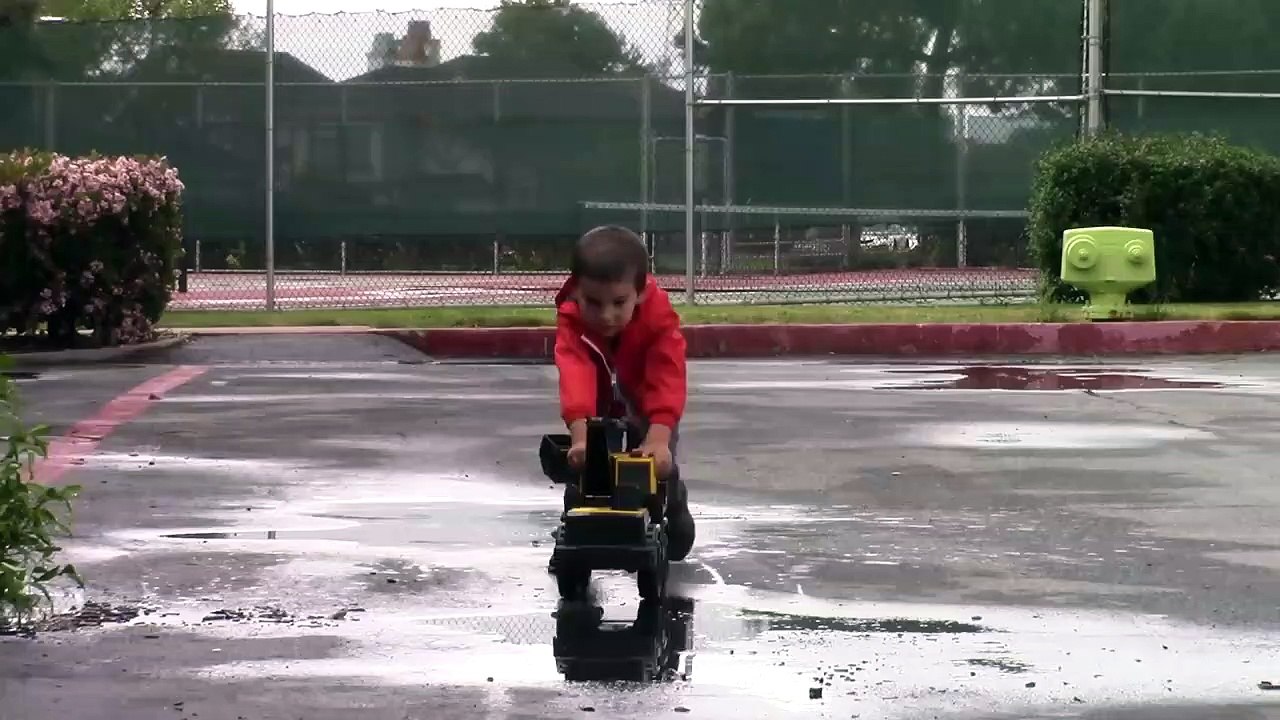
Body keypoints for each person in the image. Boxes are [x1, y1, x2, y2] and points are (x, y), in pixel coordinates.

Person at [552, 224, 696, 562]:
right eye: (593, 302)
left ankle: (672, 503)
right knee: (586, 465)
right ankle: (575, 526)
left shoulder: (658, 318)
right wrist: (580, 434)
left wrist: (659, 436)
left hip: (647, 400)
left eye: (619, 302)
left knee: (657, 467)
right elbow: (574, 371)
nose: (606, 315)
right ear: (576, 291)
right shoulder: (571, 318)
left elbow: (666, 374)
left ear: (641, 293)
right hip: (598, 403)